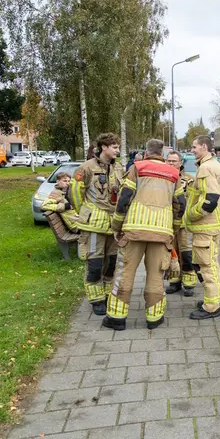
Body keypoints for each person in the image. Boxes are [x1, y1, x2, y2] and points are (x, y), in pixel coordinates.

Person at [102, 139, 185, 331]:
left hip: (134, 231)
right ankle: (154, 319)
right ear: (163, 154)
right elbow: (180, 203)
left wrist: (117, 225)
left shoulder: (137, 168)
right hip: (162, 233)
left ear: (146, 153)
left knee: (126, 272)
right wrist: (173, 229)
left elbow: (124, 199)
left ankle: (117, 318)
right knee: (156, 275)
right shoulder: (174, 173)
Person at [69, 133, 125, 315]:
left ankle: (108, 293)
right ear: (104, 148)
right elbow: (75, 194)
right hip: (94, 224)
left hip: (113, 224)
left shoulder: (118, 168)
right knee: (95, 264)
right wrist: (86, 212)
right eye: (114, 147)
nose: (117, 150)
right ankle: (96, 299)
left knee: (111, 262)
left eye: (118, 147)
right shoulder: (86, 168)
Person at [184, 135, 220, 320]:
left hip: (204, 227)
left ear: (204, 146)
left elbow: (211, 200)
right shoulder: (215, 165)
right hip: (213, 226)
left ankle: (211, 307)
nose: (192, 150)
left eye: (194, 147)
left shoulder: (206, 168)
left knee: (206, 266)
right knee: (212, 264)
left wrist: (192, 214)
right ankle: (215, 300)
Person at [165, 150, 198, 296]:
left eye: (174, 161)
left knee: (186, 253)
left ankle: (189, 282)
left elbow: (194, 200)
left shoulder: (190, 180)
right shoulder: (163, 178)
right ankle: (174, 282)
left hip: (184, 224)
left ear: (180, 163)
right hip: (168, 223)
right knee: (172, 253)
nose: (171, 163)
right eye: (169, 161)